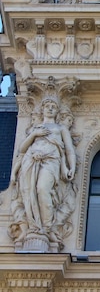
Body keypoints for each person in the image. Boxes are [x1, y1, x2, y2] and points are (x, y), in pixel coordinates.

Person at [9, 98, 76, 245]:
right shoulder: (35, 128)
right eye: (47, 106)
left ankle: (46, 228)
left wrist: (72, 167)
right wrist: (34, 135)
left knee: (42, 189)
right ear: (42, 109)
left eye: (53, 107)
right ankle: (35, 228)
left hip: (51, 161)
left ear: (57, 111)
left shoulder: (60, 129)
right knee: (29, 192)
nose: (50, 109)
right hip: (31, 161)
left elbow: (69, 150)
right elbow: (21, 149)